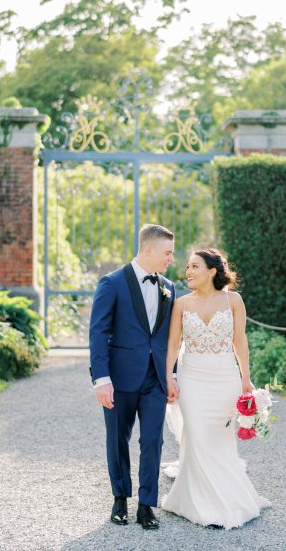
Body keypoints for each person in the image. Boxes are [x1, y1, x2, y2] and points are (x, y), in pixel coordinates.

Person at [162, 248, 271, 529]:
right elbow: (173, 344)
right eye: (187, 266)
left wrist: (246, 379)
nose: (188, 271)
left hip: (225, 378)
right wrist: (168, 377)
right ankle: (199, 501)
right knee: (196, 434)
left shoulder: (233, 299)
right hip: (192, 379)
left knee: (220, 439)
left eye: (194, 266)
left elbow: (240, 341)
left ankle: (228, 497)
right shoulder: (181, 304)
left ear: (212, 271)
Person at [89, 224, 178, 530]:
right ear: (149, 250)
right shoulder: (111, 283)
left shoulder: (170, 286)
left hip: (155, 379)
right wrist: (101, 379)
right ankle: (119, 499)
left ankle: (146, 505)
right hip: (119, 378)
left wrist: (172, 374)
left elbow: (169, 337)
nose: (171, 259)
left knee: (153, 440)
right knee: (118, 439)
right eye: (167, 253)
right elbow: (97, 332)